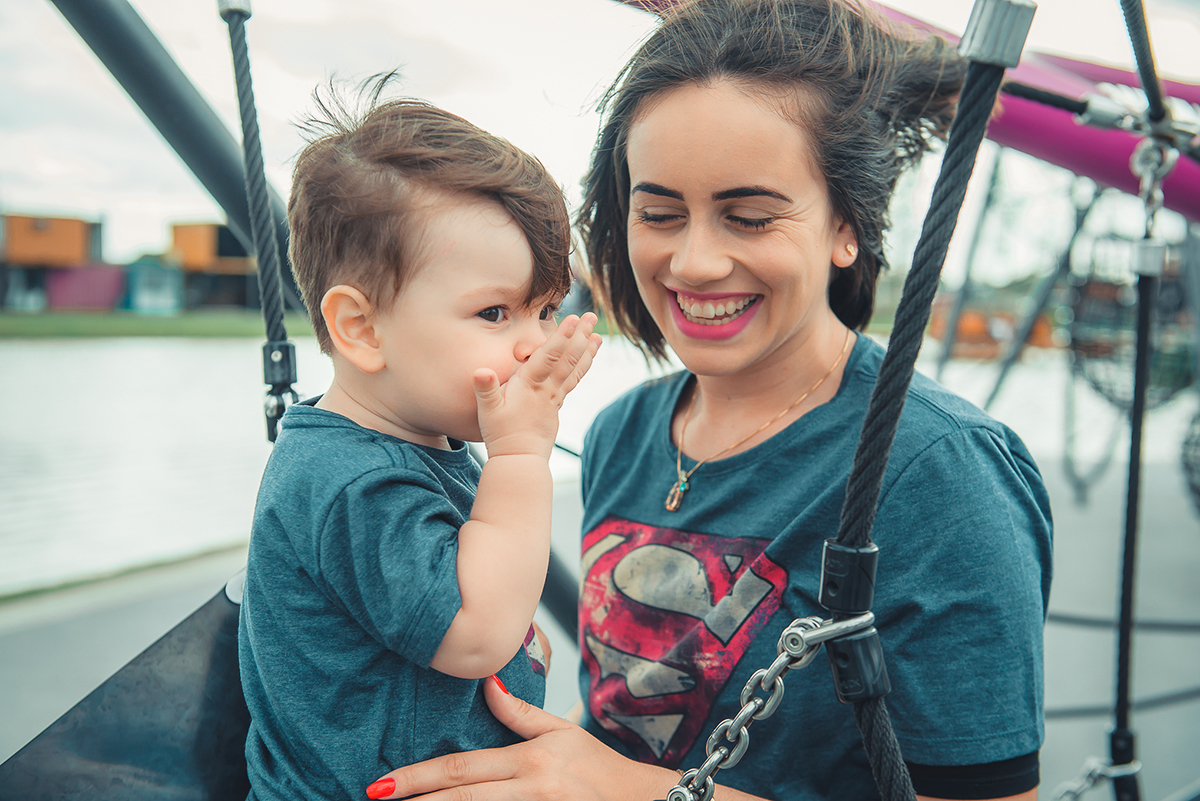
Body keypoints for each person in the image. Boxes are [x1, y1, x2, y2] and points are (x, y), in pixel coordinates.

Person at [367, 1, 1053, 799]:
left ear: (848, 224)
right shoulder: (625, 430)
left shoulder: (942, 471)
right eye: (659, 214)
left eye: (750, 217)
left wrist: (625, 790)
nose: (693, 262)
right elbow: (618, 732)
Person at [237, 80, 603, 801]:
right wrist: (522, 453)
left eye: (545, 309)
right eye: (495, 312)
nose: (535, 344)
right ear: (362, 329)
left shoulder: (413, 439)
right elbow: (476, 630)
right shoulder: (354, 483)